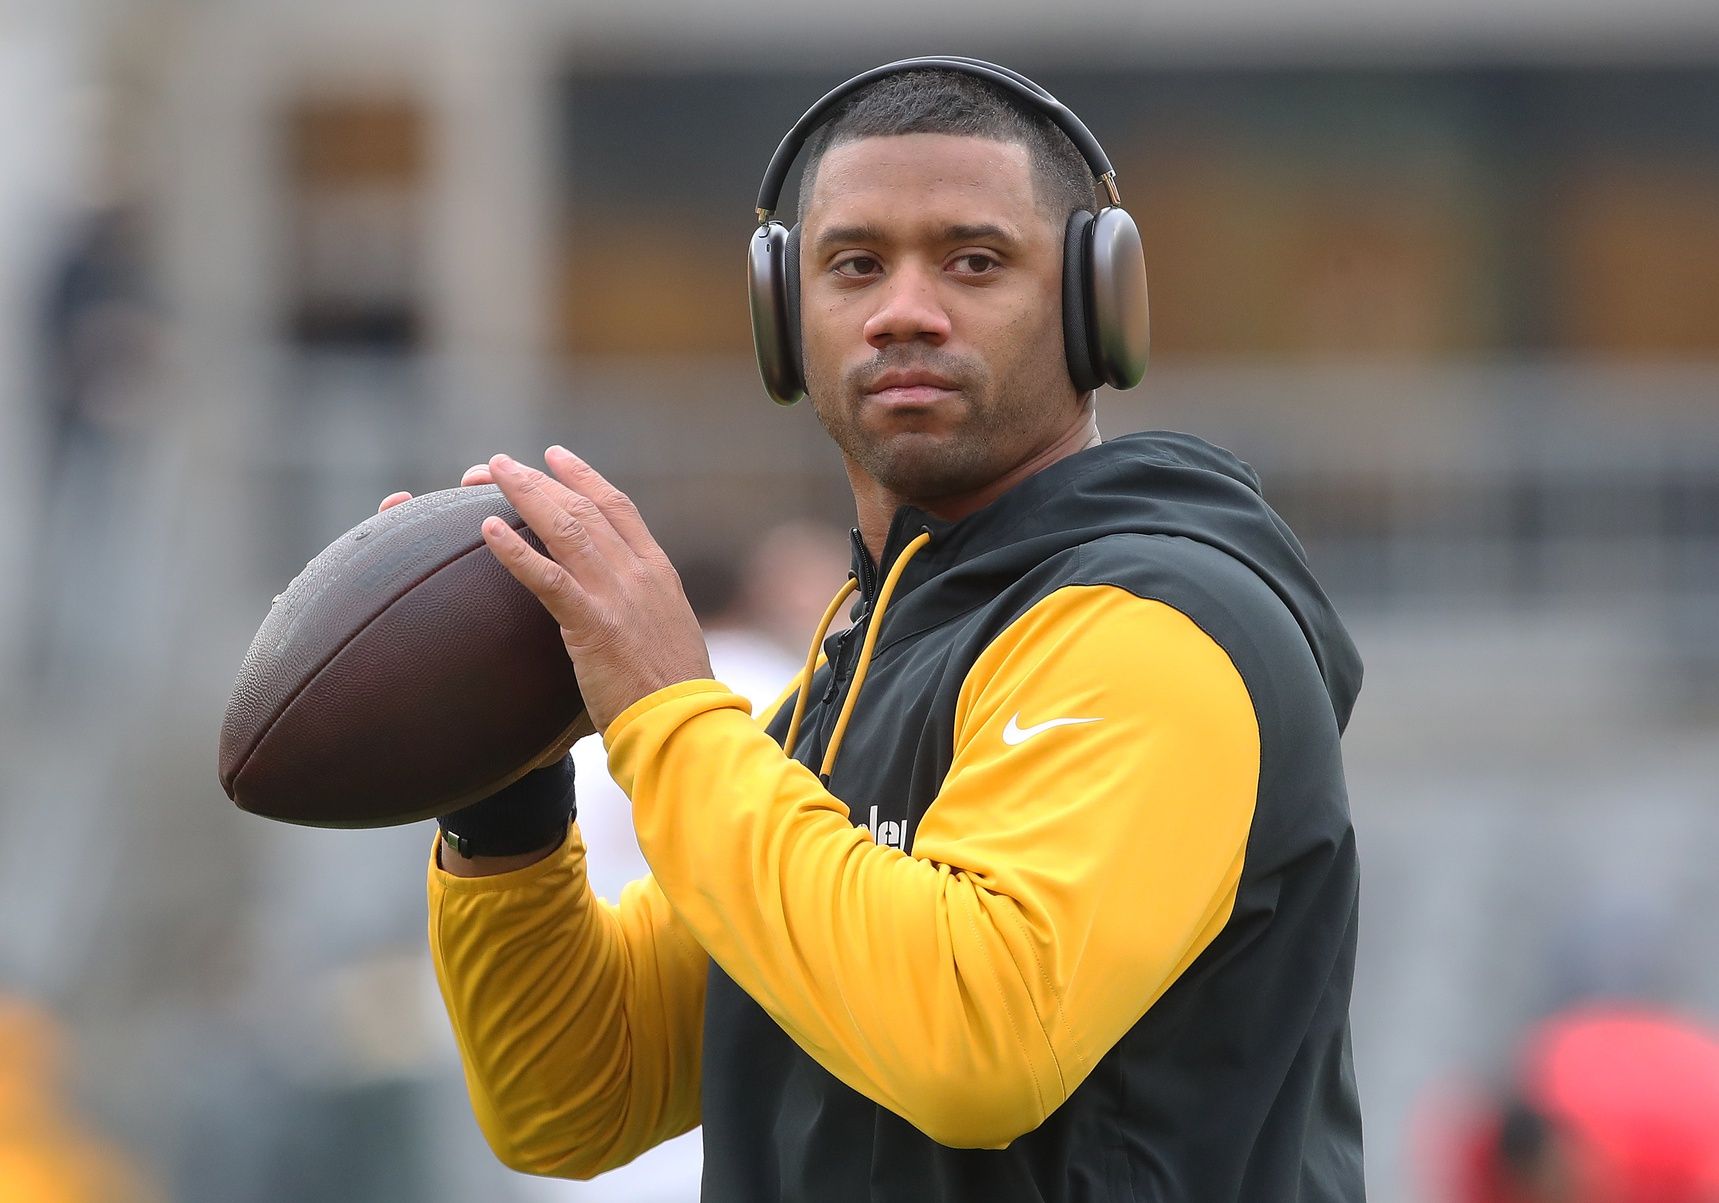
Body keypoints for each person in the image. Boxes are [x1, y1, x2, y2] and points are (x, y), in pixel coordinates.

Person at [391, 59, 1365, 1201]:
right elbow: (577, 1097)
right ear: (782, 318)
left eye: (974, 260)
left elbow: (976, 1041)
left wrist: (667, 711)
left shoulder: (1156, 626)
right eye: (854, 264)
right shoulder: (855, 672)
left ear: (1097, 306)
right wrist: (505, 791)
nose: (906, 308)